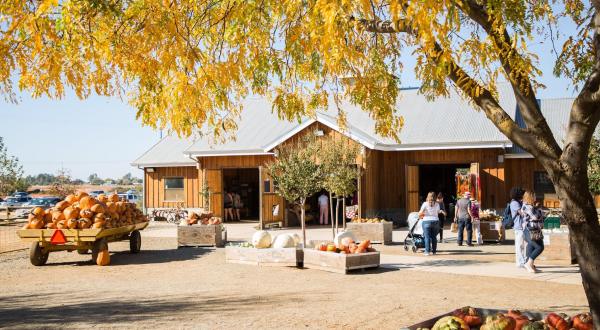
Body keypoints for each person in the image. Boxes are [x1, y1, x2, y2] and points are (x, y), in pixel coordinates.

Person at [522, 191, 545, 273]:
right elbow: (535, 217)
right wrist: (540, 211)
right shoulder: (526, 206)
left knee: (532, 246)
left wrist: (538, 210)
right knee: (539, 247)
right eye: (534, 195)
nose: (536, 197)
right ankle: (528, 264)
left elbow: (540, 216)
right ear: (530, 197)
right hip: (529, 230)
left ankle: (530, 265)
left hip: (535, 230)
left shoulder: (532, 206)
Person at [419, 191, 447, 256]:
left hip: (426, 221)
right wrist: (442, 211)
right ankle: (434, 251)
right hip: (435, 222)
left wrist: (422, 214)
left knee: (427, 237)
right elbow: (438, 211)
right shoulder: (437, 204)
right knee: (434, 237)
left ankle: (427, 251)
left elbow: (420, 212)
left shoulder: (425, 204)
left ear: (428, 197)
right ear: (435, 197)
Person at [510, 187, 526, 268]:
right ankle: (520, 262)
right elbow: (522, 213)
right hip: (518, 226)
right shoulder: (514, 203)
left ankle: (522, 261)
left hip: (521, 226)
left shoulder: (518, 202)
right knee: (519, 245)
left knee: (522, 245)